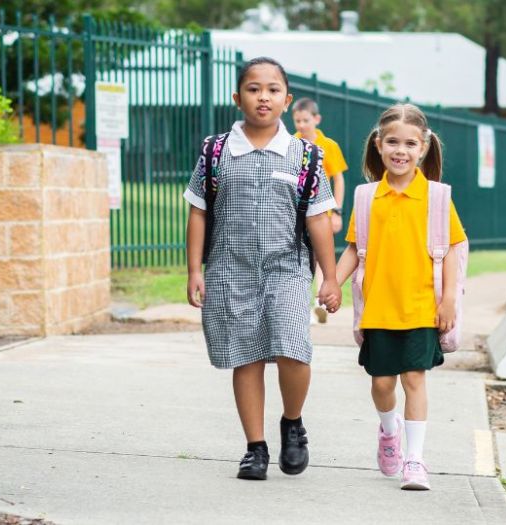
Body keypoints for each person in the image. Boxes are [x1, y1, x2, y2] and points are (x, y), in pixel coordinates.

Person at [183, 56, 341, 481]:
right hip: (229, 270)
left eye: (273, 90)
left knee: (293, 348)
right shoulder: (216, 152)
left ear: (287, 101)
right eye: (254, 89)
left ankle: (293, 422)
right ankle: (255, 448)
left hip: (286, 269)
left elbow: (318, 219)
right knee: (246, 357)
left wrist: (329, 276)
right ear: (238, 98)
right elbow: (198, 211)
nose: (263, 97)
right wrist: (194, 270)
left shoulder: (305, 156)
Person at [335, 103, 467, 490]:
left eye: (410, 143)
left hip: (421, 306)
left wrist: (448, 302)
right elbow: (354, 249)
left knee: (414, 379)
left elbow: (455, 248)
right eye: (392, 141)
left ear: (423, 147)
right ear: (378, 144)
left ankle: (415, 459)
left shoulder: (437, 197)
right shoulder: (365, 197)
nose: (401, 150)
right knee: (381, 384)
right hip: (378, 308)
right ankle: (389, 431)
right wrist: (333, 284)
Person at [292, 98, 348, 324]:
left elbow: (338, 180)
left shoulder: (329, 146)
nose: (301, 125)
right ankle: (297, 305)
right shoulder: (290, 143)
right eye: (297, 120)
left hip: (320, 213)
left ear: (316, 119)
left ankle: (320, 304)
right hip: (296, 213)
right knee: (299, 258)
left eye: (306, 120)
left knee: (320, 258)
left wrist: (337, 211)